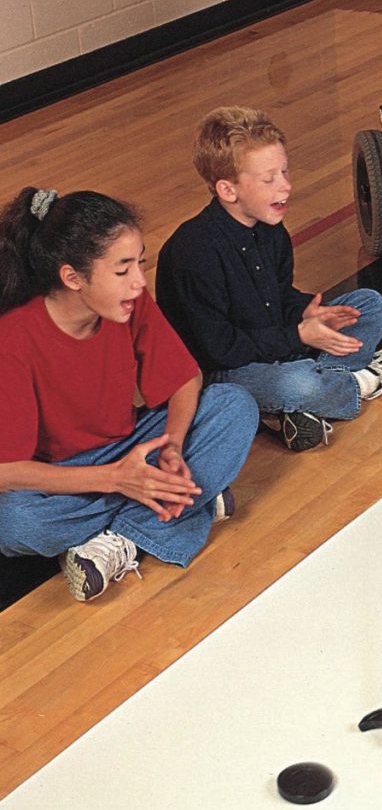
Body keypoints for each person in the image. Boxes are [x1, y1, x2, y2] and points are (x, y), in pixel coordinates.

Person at [0, 188, 258, 602]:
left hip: (132, 448)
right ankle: (188, 505)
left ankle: (122, 534)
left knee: (234, 405)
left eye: (140, 262)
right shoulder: (13, 339)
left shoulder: (129, 302)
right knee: (17, 524)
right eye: (123, 270)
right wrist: (117, 479)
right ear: (73, 277)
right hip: (60, 475)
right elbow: (7, 470)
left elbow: (185, 379)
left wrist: (173, 447)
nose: (139, 282)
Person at [157, 107, 382, 452]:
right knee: (299, 384)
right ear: (228, 190)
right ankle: (363, 380)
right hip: (224, 371)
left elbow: (278, 298)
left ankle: (308, 402)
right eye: (269, 179)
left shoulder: (272, 229)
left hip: (276, 344)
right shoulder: (193, 252)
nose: (286, 185)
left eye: (285, 171)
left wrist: (306, 312)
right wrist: (298, 335)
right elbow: (221, 349)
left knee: (370, 305)